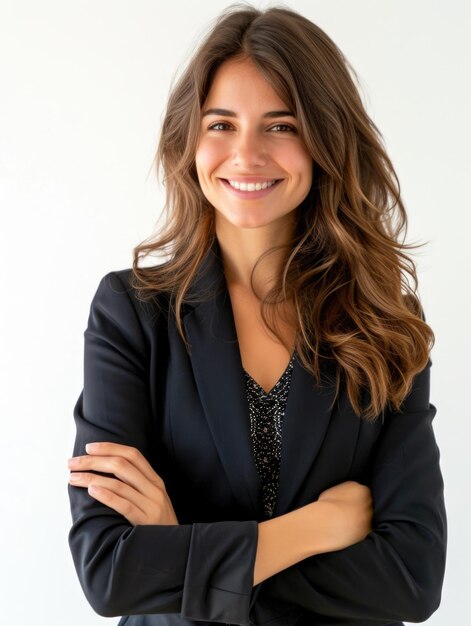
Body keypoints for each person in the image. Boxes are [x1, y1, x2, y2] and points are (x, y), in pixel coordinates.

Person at [67, 4, 447, 626]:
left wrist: (182, 546)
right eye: (221, 124)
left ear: (325, 140)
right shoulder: (131, 315)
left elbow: (412, 578)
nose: (246, 155)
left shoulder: (384, 322)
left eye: (281, 126)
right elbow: (111, 573)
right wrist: (318, 527)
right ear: (189, 140)